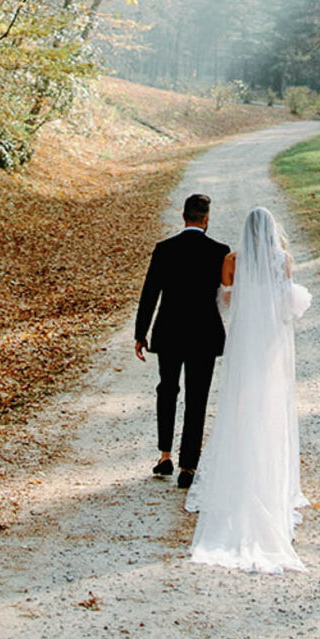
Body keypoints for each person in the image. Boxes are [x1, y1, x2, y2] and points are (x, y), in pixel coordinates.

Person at [185, 205, 311, 573]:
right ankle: (271, 484)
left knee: (239, 408)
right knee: (269, 407)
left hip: (243, 344)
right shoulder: (282, 258)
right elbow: (287, 304)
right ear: (272, 229)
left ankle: (238, 477)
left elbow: (226, 303)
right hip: (270, 344)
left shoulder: (231, 260)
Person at [133, 191, 230, 488]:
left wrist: (141, 333)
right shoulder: (219, 251)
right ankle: (188, 467)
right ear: (206, 219)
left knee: (167, 390)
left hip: (170, 332)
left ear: (183, 216)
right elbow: (226, 294)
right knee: (196, 399)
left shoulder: (164, 249)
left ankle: (164, 455)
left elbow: (150, 293)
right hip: (204, 333)